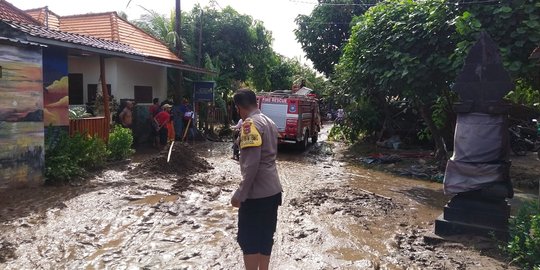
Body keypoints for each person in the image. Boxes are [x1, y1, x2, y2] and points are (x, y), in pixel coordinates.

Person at [231, 89, 283, 270]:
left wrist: (240, 194)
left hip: (256, 194)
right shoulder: (269, 122)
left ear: (239, 108)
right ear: (256, 103)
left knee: (249, 240)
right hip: (273, 191)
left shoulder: (249, 125)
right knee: (265, 237)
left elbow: (251, 166)